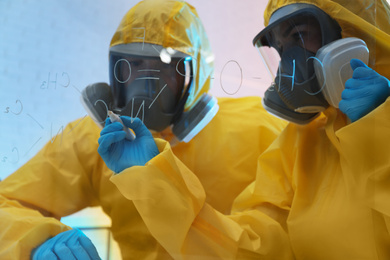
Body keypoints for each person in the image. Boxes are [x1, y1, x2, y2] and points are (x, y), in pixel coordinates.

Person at [96, 0, 390, 259]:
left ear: (352, 33)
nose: (289, 63)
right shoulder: (300, 144)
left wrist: (379, 133)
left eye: (299, 36)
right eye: (282, 47)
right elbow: (250, 250)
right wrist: (152, 177)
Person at [0, 0, 286, 259]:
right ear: (115, 71)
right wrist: (36, 241)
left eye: (164, 67)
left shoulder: (261, 130)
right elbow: (6, 204)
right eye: (133, 64)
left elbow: (280, 242)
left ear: (195, 74)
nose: (145, 83)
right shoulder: (97, 139)